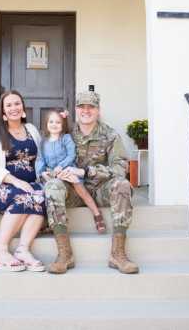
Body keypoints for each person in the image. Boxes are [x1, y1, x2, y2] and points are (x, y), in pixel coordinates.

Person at [43, 91, 139, 274]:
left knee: (122, 185)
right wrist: (52, 174)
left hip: (100, 190)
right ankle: (65, 254)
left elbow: (120, 167)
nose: (86, 111)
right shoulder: (64, 132)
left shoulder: (110, 135)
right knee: (52, 186)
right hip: (72, 190)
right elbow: (47, 159)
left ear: (98, 110)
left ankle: (118, 254)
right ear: (76, 110)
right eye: (82, 107)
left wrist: (87, 171)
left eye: (91, 107)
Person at [0, 90, 46, 272]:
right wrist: (15, 181)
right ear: (3, 111)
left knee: (41, 196)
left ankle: (22, 250)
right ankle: (0, 250)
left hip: (30, 183)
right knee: (23, 196)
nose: (14, 108)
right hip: (1, 184)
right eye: (9, 105)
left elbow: (40, 159)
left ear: (22, 107)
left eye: (17, 103)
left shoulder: (31, 130)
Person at [36, 108, 106, 234]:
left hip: (67, 169)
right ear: (46, 124)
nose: (54, 125)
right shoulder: (43, 142)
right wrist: (41, 172)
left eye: (58, 122)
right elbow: (40, 159)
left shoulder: (66, 138)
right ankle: (49, 221)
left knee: (78, 186)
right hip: (52, 173)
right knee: (47, 192)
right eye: (51, 122)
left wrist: (61, 166)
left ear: (63, 124)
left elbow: (71, 155)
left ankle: (96, 213)